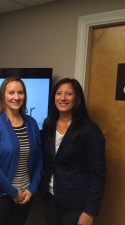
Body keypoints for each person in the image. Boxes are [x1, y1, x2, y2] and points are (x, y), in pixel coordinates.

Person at [0, 76, 43, 225]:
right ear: (3, 95)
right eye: (11, 93)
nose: (16, 97)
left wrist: (32, 189)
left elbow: (39, 160)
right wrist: (13, 192)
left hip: (25, 196)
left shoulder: (31, 123)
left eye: (20, 92)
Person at [39, 78, 106, 225]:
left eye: (68, 94)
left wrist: (89, 211)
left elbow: (98, 175)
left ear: (77, 98)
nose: (63, 98)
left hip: (76, 204)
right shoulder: (48, 123)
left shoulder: (89, 130)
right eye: (59, 93)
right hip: (50, 198)